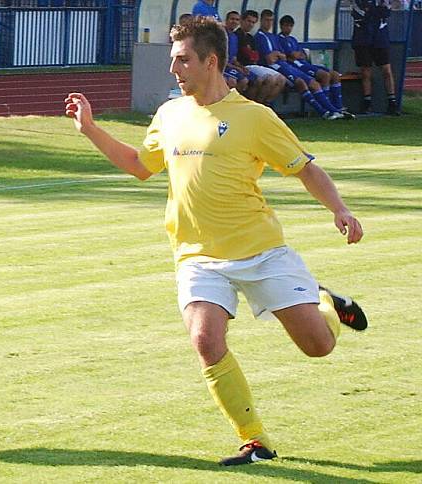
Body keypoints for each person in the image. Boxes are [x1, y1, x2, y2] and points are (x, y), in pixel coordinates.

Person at [65, 16, 368, 465]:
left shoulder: (254, 117)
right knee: (205, 339)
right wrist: (89, 128)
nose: (174, 70)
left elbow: (304, 166)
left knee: (318, 346)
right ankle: (254, 439)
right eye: (173, 60)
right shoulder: (169, 114)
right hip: (197, 256)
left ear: (211, 61)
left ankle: (324, 303)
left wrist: (339, 209)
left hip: (261, 253)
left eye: (182, 60)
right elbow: (139, 164)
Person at [256, 9, 347, 119]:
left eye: (271, 20)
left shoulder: (275, 37)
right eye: (266, 20)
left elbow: (287, 56)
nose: (269, 23)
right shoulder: (260, 37)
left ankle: (334, 109)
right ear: (261, 20)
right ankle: (326, 111)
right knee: (303, 82)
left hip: (288, 65)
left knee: (318, 82)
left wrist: (279, 55)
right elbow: (271, 59)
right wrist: (279, 55)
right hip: (278, 67)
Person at [278, 15, 353, 116]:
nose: (289, 28)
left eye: (291, 26)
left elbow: (302, 55)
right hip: (297, 67)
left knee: (334, 75)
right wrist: (296, 55)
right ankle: (329, 108)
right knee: (325, 76)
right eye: (286, 26)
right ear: (281, 26)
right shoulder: (280, 39)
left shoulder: (293, 39)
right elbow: (293, 55)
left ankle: (338, 107)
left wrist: (297, 55)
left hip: (305, 64)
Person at [352, 0, 400, 114]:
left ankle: (392, 102)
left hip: (380, 37)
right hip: (363, 38)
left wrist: (376, 10)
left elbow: (386, 12)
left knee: (386, 70)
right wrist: (376, 10)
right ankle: (367, 102)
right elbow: (363, 13)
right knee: (365, 71)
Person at [235, 10, 286, 105]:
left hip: (254, 65)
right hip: (244, 66)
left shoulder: (250, 38)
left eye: (253, 22)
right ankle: (256, 105)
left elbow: (255, 56)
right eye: (248, 21)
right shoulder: (236, 36)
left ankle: (265, 104)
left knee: (282, 79)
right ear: (242, 21)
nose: (250, 24)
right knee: (267, 79)